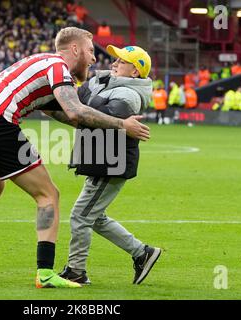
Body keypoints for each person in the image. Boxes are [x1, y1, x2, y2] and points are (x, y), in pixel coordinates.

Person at [0, 27, 151, 288]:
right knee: (48, 195)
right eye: (89, 50)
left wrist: (104, 125)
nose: (94, 58)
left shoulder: (38, 61)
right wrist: (123, 126)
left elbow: (56, 112)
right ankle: (46, 272)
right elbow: (74, 111)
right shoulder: (57, 66)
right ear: (74, 49)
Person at [48, 44, 161, 285]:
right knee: (93, 216)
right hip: (102, 160)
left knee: (81, 216)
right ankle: (143, 253)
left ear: (134, 73)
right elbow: (78, 105)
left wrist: (81, 102)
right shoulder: (105, 81)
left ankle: (76, 271)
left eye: (121, 61)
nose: (114, 63)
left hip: (112, 163)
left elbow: (96, 115)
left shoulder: (130, 95)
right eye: (116, 58)